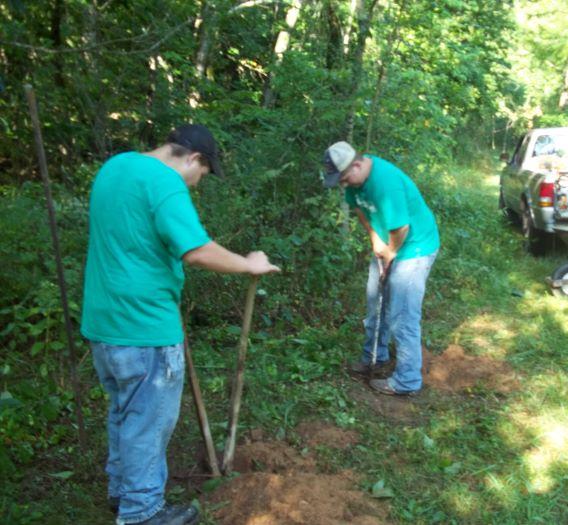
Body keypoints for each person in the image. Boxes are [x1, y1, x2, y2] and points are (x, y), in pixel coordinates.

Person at [81, 124, 280, 525]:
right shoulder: (166, 183)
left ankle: (123, 493)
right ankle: (142, 513)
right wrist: (249, 264)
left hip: (104, 323)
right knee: (148, 422)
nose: (197, 183)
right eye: (202, 175)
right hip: (144, 327)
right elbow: (197, 251)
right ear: (194, 159)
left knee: (123, 412)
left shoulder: (115, 167)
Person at [322, 141, 439, 396]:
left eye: (343, 178)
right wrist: (375, 239)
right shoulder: (354, 182)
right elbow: (361, 212)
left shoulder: (383, 182)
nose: (343, 184)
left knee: (402, 314)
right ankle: (375, 357)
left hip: (415, 247)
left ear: (357, 164)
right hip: (388, 244)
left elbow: (401, 229)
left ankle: (407, 381)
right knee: (376, 301)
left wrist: (390, 253)